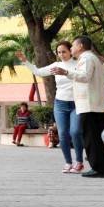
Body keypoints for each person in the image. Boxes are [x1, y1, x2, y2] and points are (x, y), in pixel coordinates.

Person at [51, 36, 104, 178]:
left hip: (89, 105)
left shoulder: (86, 58)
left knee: (90, 138)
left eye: (73, 46)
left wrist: (66, 72)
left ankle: (98, 169)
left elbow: (84, 76)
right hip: (96, 104)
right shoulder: (95, 59)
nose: (71, 49)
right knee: (95, 138)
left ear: (80, 46)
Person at [17, 41, 83, 173]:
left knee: (75, 132)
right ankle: (68, 162)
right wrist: (25, 61)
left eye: (64, 51)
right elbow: (38, 72)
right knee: (63, 133)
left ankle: (79, 161)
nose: (61, 54)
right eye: (58, 52)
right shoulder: (56, 65)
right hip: (60, 104)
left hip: (76, 103)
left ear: (70, 51)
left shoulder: (78, 64)